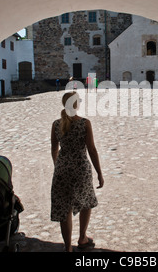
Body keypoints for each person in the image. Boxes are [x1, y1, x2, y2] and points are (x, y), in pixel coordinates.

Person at [50, 91, 104, 252]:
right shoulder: (84, 123)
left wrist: (58, 165)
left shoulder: (56, 124)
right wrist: (99, 173)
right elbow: (92, 150)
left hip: (62, 170)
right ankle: (82, 238)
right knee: (86, 201)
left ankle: (68, 248)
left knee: (64, 207)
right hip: (81, 168)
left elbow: (54, 149)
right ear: (76, 104)